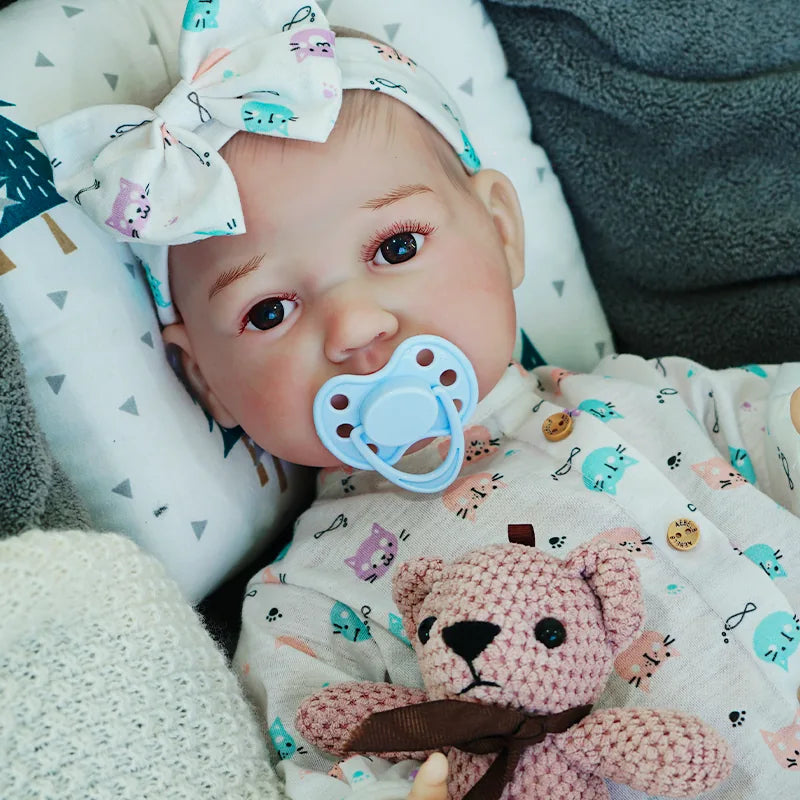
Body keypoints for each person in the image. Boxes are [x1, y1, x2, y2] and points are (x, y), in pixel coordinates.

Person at [38, 3, 800, 798]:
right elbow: (328, 753)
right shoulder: (302, 600)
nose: (357, 325)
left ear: (503, 231)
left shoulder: (647, 393)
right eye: (269, 311)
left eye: (395, 247)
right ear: (206, 383)